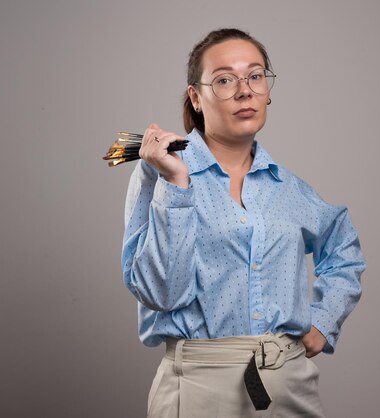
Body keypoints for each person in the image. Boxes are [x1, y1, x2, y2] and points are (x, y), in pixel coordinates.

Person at [121, 28, 365, 418]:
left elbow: (343, 249)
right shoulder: (159, 175)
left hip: (288, 383)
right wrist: (177, 185)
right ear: (196, 98)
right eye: (224, 80)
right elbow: (162, 295)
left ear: (267, 91)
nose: (245, 90)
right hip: (199, 386)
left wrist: (323, 321)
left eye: (255, 76)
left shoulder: (287, 187)